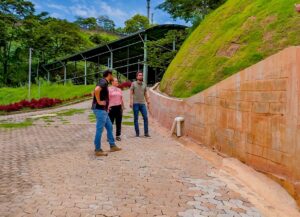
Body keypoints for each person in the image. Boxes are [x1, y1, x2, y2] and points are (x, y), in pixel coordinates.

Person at [92, 69, 122, 156]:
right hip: (100, 109)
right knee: (99, 130)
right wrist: (99, 101)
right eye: (112, 74)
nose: (112, 76)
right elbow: (96, 90)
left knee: (109, 127)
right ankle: (97, 150)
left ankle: (112, 146)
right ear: (109, 74)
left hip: (103, 110)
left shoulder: (104, 82)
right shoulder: (104, 82)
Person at [130, 71, 150, 137]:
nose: (141, 76)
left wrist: (148, 101)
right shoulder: (133, 84)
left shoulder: (144, 84)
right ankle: (137, 133)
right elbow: (131, 93)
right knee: (136, 119)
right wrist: (131, 102)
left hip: (142, 104)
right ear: (137, 77)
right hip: (135, 104)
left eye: (141, 75)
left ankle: (146, 133)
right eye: (139, 75)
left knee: (145, 118)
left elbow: (145, 94)